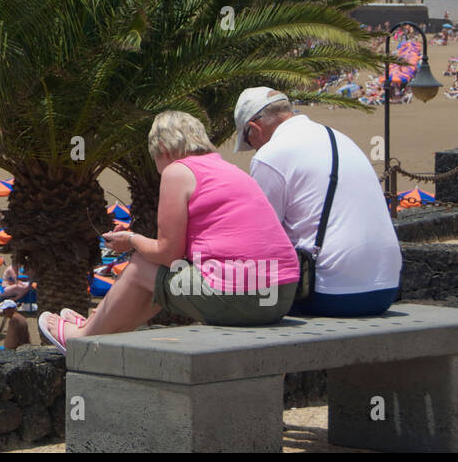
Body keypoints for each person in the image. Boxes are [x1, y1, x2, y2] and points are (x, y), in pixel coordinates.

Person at [39, 111, 300, 352]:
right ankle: (99, 327)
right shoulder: (228, 169)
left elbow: (167, 253)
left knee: (142, 265)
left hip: (245, 298)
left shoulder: (178, 170)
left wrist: (131, 239)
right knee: (159, 276)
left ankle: (81, 338)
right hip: (280, 295)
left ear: (162, 148)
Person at [235, 87, 402, 317]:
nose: (252, 148)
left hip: (330, 292)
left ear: (254, 128)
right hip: (387, 287)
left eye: (248, 140)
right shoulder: (338, 137)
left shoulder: (270, 155)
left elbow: (260, 235)